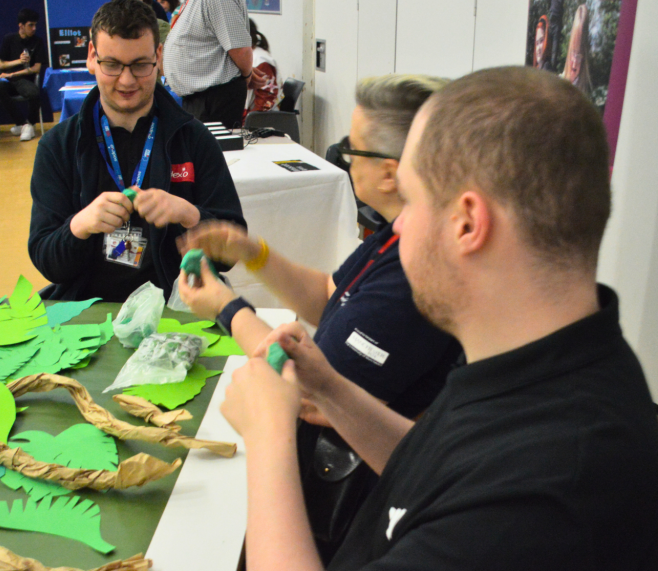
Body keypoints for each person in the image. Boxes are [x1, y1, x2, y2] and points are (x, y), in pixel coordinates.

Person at [222, 66, 658, 571]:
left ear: (466, 224)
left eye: (412, 202)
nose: (399, 226)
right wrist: (331, 389)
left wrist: (269, 439)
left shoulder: (548, 493)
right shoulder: (540, 358)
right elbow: (436, 464)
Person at [178, 74, 461, 562]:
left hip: (347, 502)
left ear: (393, 172)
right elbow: (328, 294)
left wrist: (225, 308)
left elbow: (305, 391)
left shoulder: (413, 275)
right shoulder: (393, 235)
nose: (345, 159)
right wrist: (253, 252)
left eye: (354, 150)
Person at [28, 0, 245, 303]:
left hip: (176, 308)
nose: (127, 80)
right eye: (113, 64)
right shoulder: (57, 147)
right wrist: (80, 225)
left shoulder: (194, 140)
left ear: (158, 57)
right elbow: (46, 260)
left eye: (140, 65)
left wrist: (191, 215)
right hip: (88, 307)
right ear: (92, 57)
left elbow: (232, 252)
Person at [162, 0, 268, 129]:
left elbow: (240, 49)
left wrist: (246, 76)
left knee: (212, 148)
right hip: (202, 97)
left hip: (213, 97)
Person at [0, 8, 45, 142]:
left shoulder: (38, 42)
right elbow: (1, 65)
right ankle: (23, 124)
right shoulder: (9, 39)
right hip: (9, 82)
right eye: (31, 25)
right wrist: (19, 61)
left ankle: (30, 123)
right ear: (21, 25)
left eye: (35, 25)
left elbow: (36, 68)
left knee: (34, 93)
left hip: (24, 79)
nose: (34, 28)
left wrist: (11, 74)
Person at [243, 19, 278, 117]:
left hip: (258, 119)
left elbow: (267, 97)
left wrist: (249, 121)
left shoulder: (261, 61)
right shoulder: (246, 56)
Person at [561, 4, 593, 97]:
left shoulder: (585, 93)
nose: (574, 63)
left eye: (579, 56)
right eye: (573, 53)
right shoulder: (558, 82)